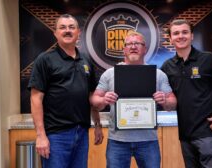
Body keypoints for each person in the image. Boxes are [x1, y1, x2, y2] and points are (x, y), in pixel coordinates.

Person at [91, 30, 177, 168]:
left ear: (145, 49)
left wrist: (165, 101)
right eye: (129, 44)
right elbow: (95, 101)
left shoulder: (158, 74)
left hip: (148, 141)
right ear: (124, 49)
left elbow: (172, 103)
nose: (133, 47)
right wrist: (103, 100)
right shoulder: (110, 73)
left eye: (137, 43)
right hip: (117, 141)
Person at [28, 14, 103, 168]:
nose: (67, 31)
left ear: (78, 32)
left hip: (82, 133)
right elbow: (36, 99)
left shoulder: (86, 60)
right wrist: (41, 136)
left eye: (71, 27)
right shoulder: (45, 59)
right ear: (55, 33)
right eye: (62, 27)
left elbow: (91, 96)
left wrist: (97, 124)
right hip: (56, 136)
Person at [161, 19, 212, 168]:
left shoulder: (208, 59)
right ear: (170, 38)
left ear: (192, 35)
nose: (180, 36)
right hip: (185, 136)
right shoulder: (167, 67)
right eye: (176, 33)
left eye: (185, 32)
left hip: (209, 133)